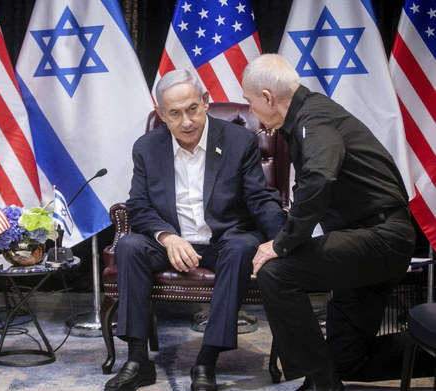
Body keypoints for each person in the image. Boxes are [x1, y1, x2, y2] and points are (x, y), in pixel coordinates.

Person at [243, 54, 418, 391]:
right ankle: (427, 354)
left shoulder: (315, 117)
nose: (249, 109)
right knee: (348, 358)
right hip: (366, 237)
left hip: (381, 236)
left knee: (276, 272)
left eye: (249, 102)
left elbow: (319, 177)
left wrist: (282, 242)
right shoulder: (308, 118)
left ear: (267, 97)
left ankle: (321, 385)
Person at [104, 69, 285, 391]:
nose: (186, 121)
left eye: (192, 109)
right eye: (174, 113)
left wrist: (283, 241)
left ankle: (206, 362)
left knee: (241, 248)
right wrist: (168, 237)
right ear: (161, 114)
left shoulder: (238, 140)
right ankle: (137, 360)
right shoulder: (147, 147)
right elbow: (140, 206)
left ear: (204, 102)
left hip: (224, 239)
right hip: (171, 242)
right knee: (129, 246)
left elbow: (259, 198)